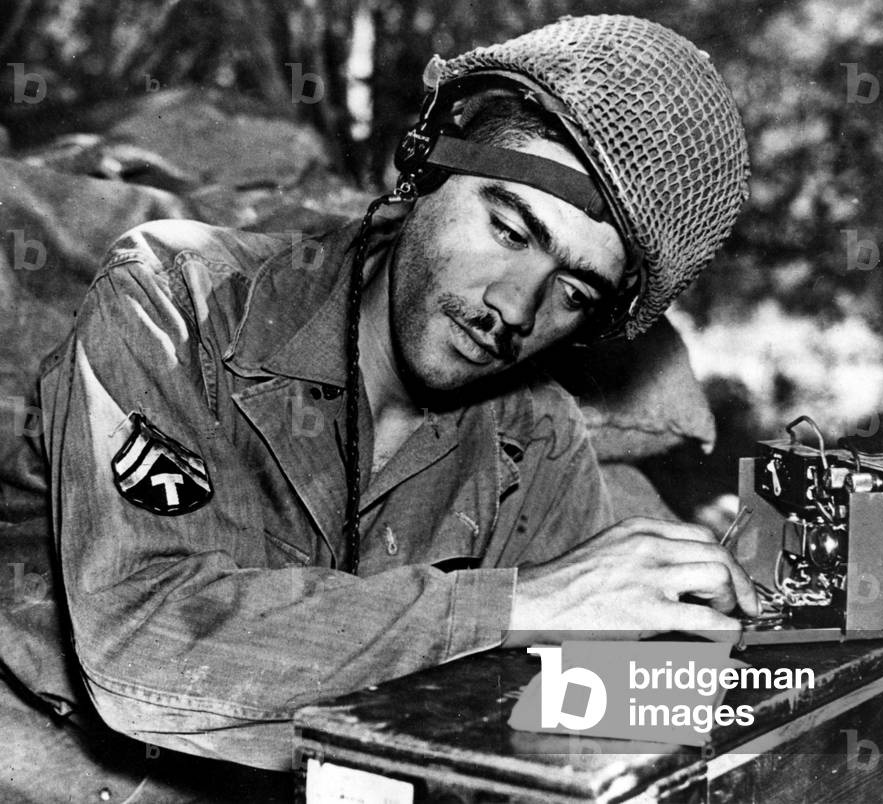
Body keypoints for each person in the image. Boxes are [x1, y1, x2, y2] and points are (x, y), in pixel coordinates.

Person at [35, 14, 753, 770]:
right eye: (510, 230)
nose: (514, 307)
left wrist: (716, 677)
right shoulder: (180, 304)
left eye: (572, 291)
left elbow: (579, 715)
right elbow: (142, 650)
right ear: (425, 172)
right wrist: (516, 606)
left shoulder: (535, 438)